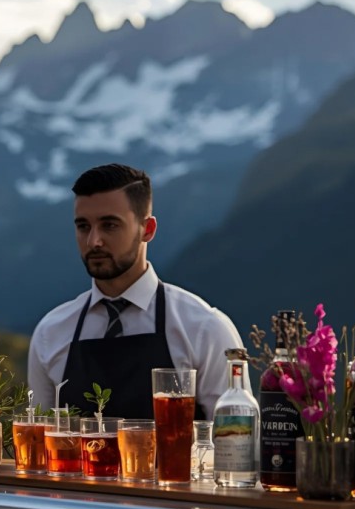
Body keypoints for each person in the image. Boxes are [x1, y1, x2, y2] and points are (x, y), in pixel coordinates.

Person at [27, 163, 247, 420]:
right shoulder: (50, 334)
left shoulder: (204, 329)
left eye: (110, 225)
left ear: (148, 229)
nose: (94, 241)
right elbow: (39, 438)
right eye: (83, 226)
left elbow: (236, 439)